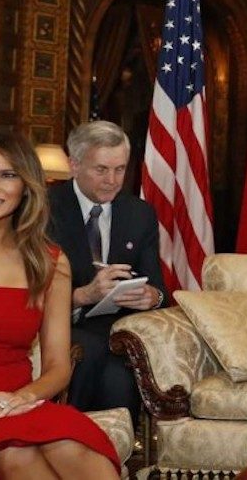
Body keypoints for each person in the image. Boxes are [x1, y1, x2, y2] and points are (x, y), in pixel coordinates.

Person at [0, 128, 119, 479]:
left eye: (7, 175)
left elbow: (57, 366)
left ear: (25, 186)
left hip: (18, 403)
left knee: (74, 445)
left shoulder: (48, 260)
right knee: (15, 454)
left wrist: (20, 399)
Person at [47, 120, 165, 424]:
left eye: (120, 169)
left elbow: (157, 286)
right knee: (93, 355)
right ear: (74, 164)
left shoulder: (140, 213)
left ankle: (109, 457)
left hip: (119, 334)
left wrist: (151, 296)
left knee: (120, 375)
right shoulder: (44, 209)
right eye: (101, 170)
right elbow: (27, 289)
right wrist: (84, 295)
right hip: (61, 327)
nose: (112, 180)